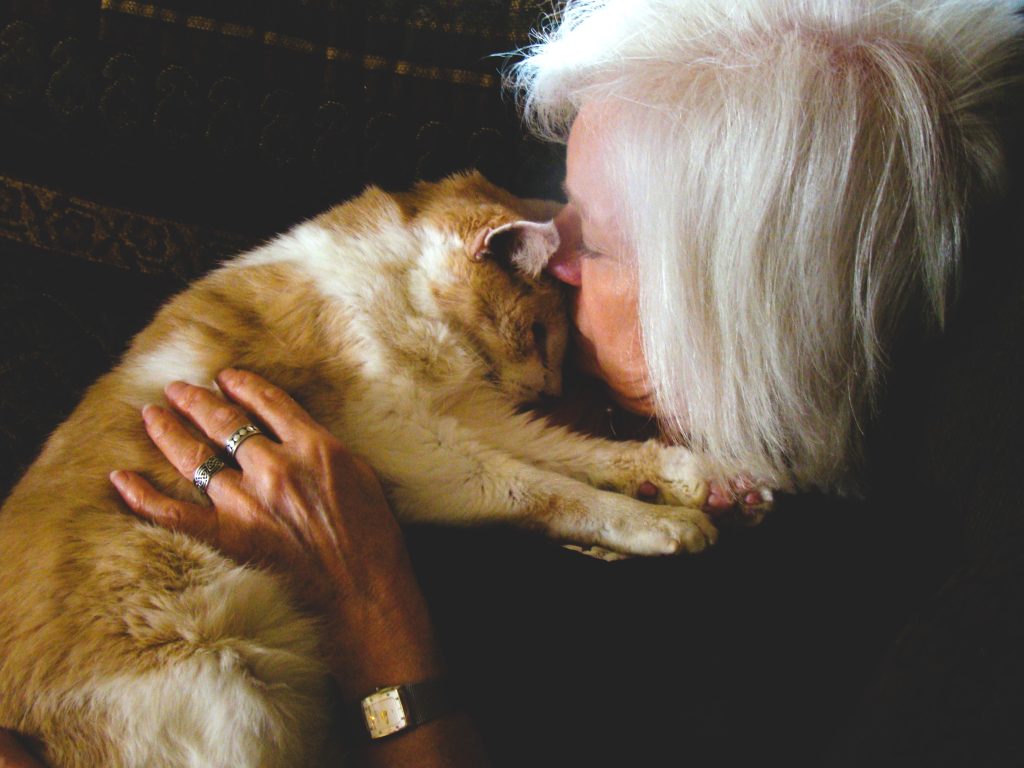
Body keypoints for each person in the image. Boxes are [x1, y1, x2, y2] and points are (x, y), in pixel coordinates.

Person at [2, 0, 1020, 765]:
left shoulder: (796, 620)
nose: (553, 246)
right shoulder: (544, 337)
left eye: (603, 241)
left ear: (728, 310)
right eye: (561, 196)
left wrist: (375, 617)